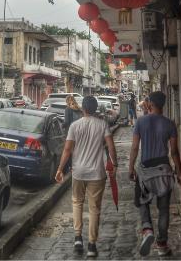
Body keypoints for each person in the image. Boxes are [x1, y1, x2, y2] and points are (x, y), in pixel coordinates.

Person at [55, 95, 118, 259]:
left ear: (83, 108)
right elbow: (111, 146)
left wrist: (60, 169)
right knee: (94, 208)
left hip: (78, 172)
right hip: (97, 173)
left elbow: (67, 150)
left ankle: (77, 238)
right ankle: (91, 245)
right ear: (96, 109)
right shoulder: (102, 124)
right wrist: (115, 164)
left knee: (77, 203)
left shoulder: (75, 126)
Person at [128, 91, 181, 258]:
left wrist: (131, 167)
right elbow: (174, 152)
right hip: (164, 170)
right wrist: (179, 171)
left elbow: (134, 147)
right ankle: (162, 244)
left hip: (146, 170)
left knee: (142, 200)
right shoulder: (170, 124)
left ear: (150, 104)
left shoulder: (141, 122)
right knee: (164, 209)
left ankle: (147, 229)